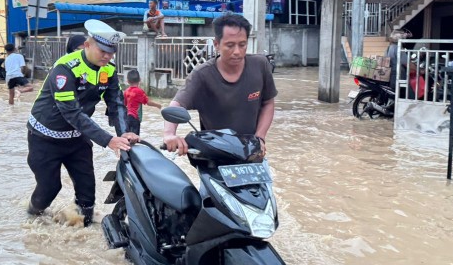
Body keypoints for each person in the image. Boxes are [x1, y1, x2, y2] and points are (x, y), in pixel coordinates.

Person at [26, 20, 138, 225]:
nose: (107, 56)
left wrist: (124, 133)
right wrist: (108, 140)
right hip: (45, 138)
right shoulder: (65, 70)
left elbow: (116, 104)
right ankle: (31, 219)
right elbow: (72, 113)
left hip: (77, 139)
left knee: (87, 192)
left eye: (111, 52)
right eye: (103, 50)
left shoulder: (108, 70)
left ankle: (83, 227)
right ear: (87, 44)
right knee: (49, 189)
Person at [163, 14, 276, 156]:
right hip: (215, 154)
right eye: (230, 45)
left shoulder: (260, 65)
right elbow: (176, 106)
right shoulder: (202, 75)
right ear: (216, 44)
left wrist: (259, 138)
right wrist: (169, 134)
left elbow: (268, 103)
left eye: (242, 45)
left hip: (251, 152)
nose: (237, 51)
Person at [123, 69, 162, 135]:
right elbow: (148, 102)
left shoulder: (126, 91)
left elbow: (124, 104)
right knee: (135, 139)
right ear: (140, 80)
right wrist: (158, 105)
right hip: (135, 118)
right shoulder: (139, 91)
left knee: (128, 137)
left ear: (127, 81)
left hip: (127, 118)